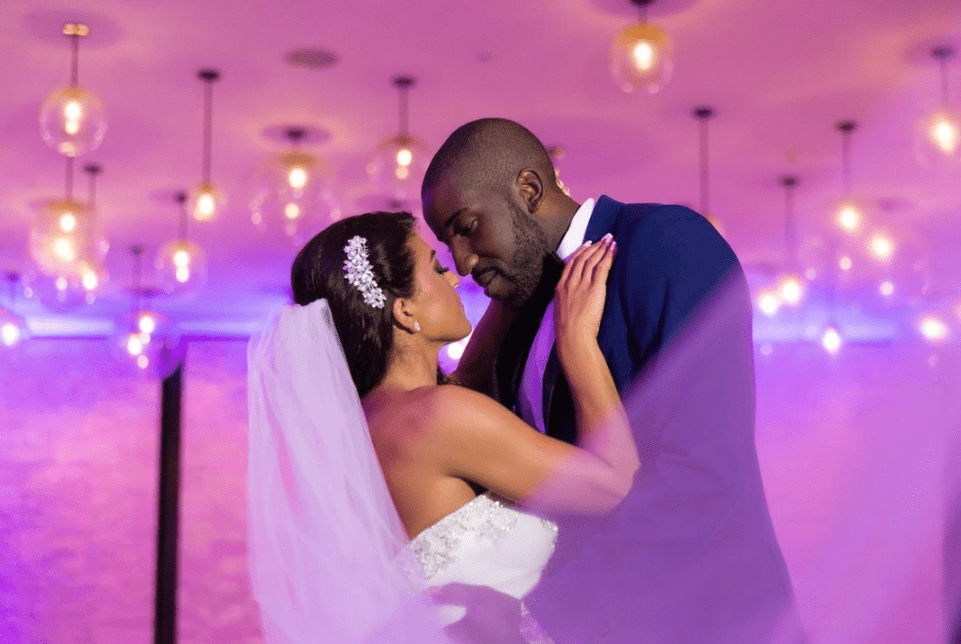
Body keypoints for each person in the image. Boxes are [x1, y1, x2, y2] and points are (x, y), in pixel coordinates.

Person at [421, 117, 807, 643]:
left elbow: (701, 479)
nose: (462, 262)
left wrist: (543, 611)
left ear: (529, 190)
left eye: (467, 227)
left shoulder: (666, 244)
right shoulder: (520, 310)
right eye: (448, 244)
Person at [247, 210, 638, 644]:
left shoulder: (368, 423)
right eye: (435, 267)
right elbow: (615, 483)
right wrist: (577, 340)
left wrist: (518, 268)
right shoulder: (439, 416)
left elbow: (470, 372)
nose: (455, 278)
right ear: (405, 310)